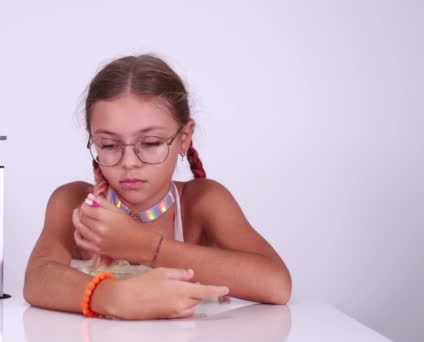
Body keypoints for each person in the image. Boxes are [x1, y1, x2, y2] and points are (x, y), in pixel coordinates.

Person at [23, 54, 291, 320]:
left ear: (184, 138)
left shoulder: (202, 204)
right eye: (108, 144)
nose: (129, 163)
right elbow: (37, 279)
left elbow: (277, 285)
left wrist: (140, 245)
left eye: (150, 143)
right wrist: (113, 297)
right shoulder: (74, 204)